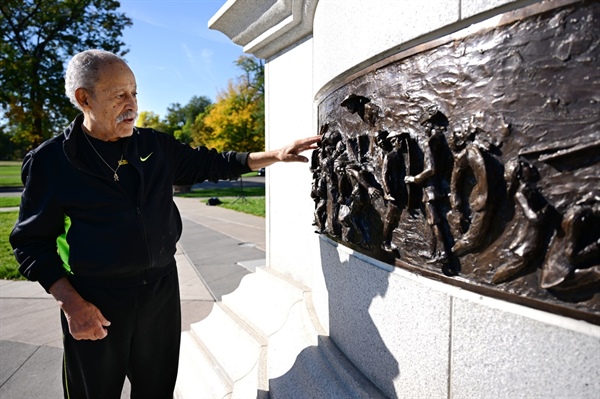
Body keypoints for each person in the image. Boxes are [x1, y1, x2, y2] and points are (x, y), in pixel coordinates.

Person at [9, 49, 320, 399]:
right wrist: (72, 304)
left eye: (135, 93)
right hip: (94, 299)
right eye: (119, 95)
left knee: (157, 393)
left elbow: (212, 163)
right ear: (85, 98)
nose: (133, 104)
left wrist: (274, 155)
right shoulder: (52, 161)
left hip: (160, 295)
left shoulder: (155, 145)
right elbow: (31, 243)